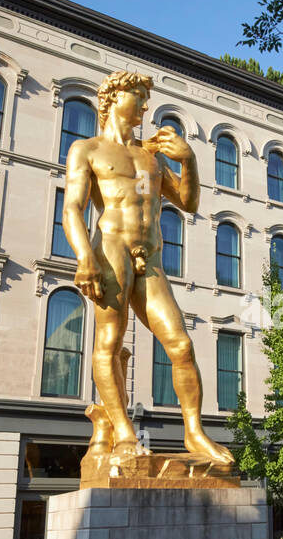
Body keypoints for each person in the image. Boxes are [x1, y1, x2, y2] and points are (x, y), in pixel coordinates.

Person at [63, 70, 233, 464]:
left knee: (181, 344)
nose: (144, 105)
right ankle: (122, 432)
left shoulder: (148, 155)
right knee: (109, 341)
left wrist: (188, 159)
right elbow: (72, 207)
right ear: (114, 97)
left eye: (145, 97)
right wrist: (84, 257)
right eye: (138, 96)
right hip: (110, 250)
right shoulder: (86, 149)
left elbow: (188, 203)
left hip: (150, 258)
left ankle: (194, 432)